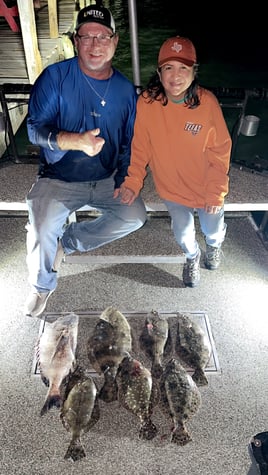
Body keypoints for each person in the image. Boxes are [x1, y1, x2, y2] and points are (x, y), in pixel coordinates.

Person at [23, 1, 147, 318]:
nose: (95, 45)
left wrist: (126, 180)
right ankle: (42, 285)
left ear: (115, 42)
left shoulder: (125, 91)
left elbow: (129, 144)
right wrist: (74, 140)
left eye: (103, 36)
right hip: (57, 177)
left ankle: (71, 241)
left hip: (106, 178)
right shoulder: (53, 78)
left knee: (134, 215)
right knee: (40, 225)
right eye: (86, 36)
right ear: (76, 41)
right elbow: (35, 130)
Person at [120, 36, 232, 288]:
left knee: (212, 229)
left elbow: (220, 151)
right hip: (172, 189)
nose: (176, 75)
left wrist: (216, 192)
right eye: (168, 67)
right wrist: (133, 182)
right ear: (159, 73)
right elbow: (140, 147)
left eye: (183, 67)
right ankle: (192, 257)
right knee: (182, 233)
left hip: (206, 188)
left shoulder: (207, 103)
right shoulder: (147, 102)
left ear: (194, 72)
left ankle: (213, 247)